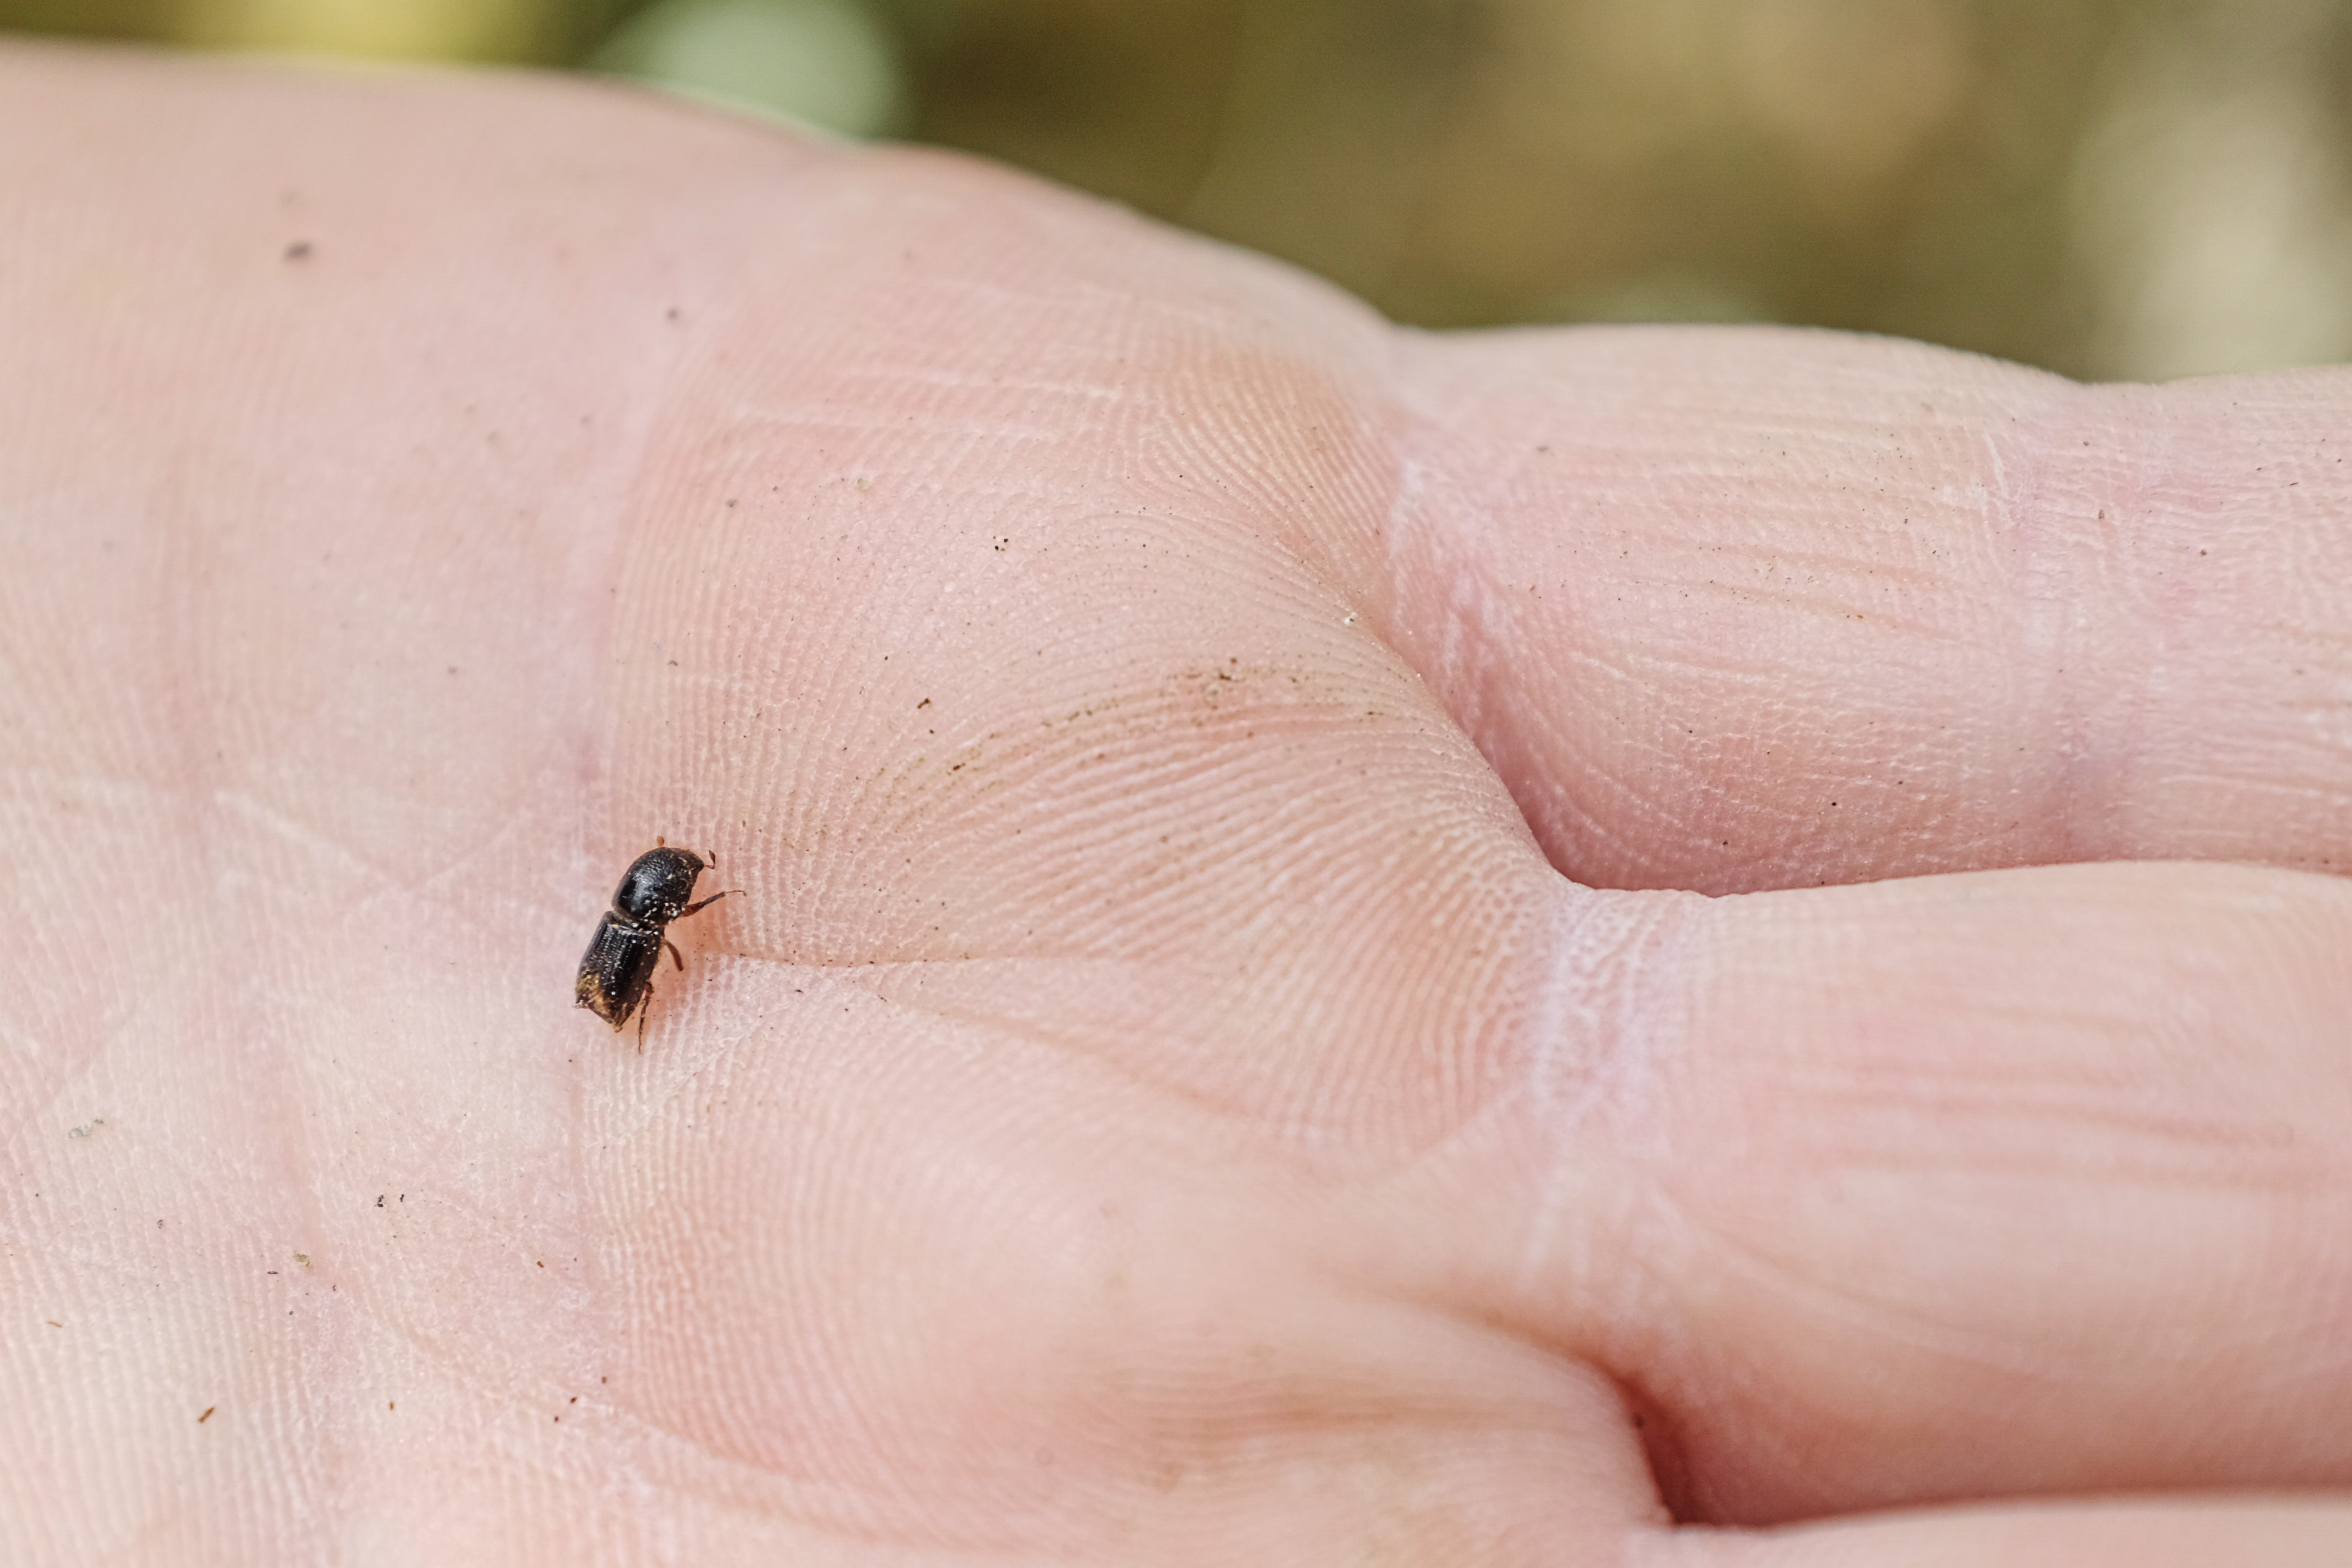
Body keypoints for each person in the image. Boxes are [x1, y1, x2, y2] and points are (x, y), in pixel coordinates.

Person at [2, 38, 2345, 1564]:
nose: (656, 933)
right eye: (652, 930)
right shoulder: (639, 935)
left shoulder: (668, 905)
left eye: (650, 929)